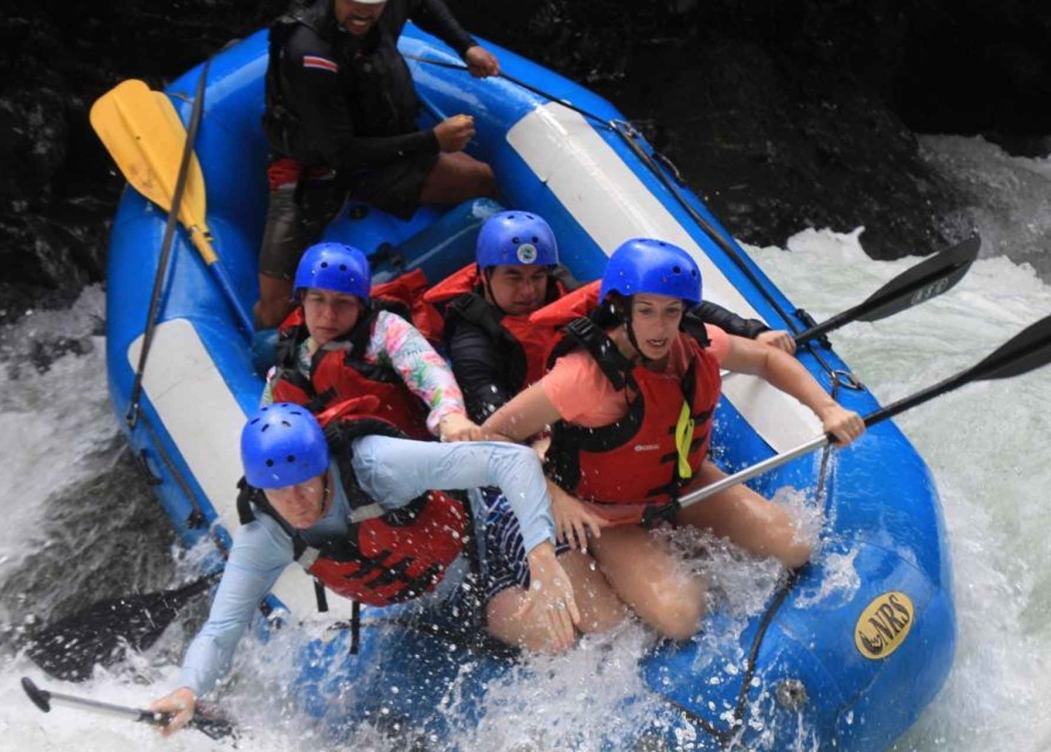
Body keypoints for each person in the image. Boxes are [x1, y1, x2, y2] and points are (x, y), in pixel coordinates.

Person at [149, 401, 624, 734]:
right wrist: (187, 689)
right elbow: (223, 627)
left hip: (490, 531)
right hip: (451, 595)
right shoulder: (266, 536)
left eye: (305, 484)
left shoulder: (378, 465)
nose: (295, 501)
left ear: (323, 468)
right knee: (547, 638)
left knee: (600, 623)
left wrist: (540, 558)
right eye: (278, 491)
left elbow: (514, 463)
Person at [481, 238, 866, 641]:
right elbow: (493, 437)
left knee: (794, 545)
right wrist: (557, 500)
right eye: (646, 311)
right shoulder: (582, 377)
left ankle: (671, 547)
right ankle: (562, 573)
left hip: (683, 482)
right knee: (681, 615)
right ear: (621, 309)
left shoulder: (696, 343)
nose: (661, 327)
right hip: (607, 514)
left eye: (671, 312)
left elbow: (767, 359)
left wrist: (828, 410)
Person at [255, 0, 500, 329]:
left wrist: (466, 46)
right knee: (274, 307)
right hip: (314, 166)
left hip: (381, 148)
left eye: (372, 4)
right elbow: (339, 152)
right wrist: (432, 141)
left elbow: (424, 4)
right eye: (353, 3)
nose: (362, 13)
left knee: (480, 179)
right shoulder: (310, 50)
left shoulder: (383, 9)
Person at [427, 210, 800, 425]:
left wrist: (752, 331)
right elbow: (487, 404)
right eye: (513, 278)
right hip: (541, 412)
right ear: (484, 276)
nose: (528, 291)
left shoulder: (570, 296)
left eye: (536, 277)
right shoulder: (470, 334)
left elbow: (672, 300)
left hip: (590, 403)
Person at [263, 241, 480, 442]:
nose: (328, 315)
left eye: (343, 302)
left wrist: (450, 414)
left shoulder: (384, 330)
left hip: (404, 451)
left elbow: (427, 368)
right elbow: (265, 427)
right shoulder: (291, 358)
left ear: (360, 305)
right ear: (302, 300)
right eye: (318, 300)